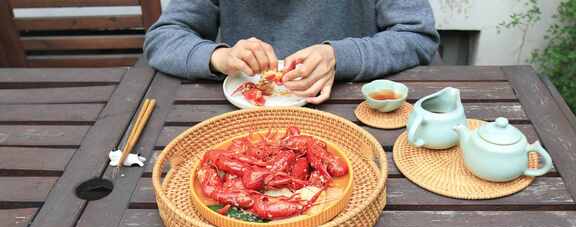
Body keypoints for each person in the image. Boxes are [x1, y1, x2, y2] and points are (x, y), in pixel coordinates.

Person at [144, 0, 440, 104]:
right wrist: (219, 57)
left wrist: (339, 56)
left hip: (352, 106)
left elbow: (417, 35)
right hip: (243, 114)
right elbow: (163, 37)